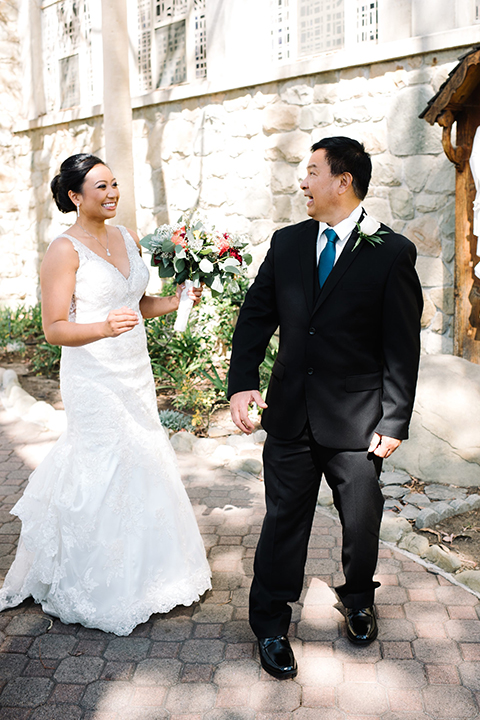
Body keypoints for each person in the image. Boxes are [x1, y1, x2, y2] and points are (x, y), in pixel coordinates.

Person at [228, 137, 423, 679]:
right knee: (283, 520)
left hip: (358, 420)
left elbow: (402, 346)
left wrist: (394, 418)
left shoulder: (391, 251)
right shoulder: (287, 243)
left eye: (311, 170)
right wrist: (242, 383)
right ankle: (270, 624)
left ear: (343, 180)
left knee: (362, 520)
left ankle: (358, 598)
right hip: (289, 412)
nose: (302, 181)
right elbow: (255, 317)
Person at [0, 153, 211, 635]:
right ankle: (93, 581)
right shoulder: (64, 250)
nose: (113, 193)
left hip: (134, 369)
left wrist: (176, 301)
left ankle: (152, 575)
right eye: (101, 186)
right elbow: (53, 329)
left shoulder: (127, 236)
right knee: (102, 462)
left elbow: (136, 305)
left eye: (115, 183)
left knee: (142, 458)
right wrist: (100, 328)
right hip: (92, 374)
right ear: (75, 196)